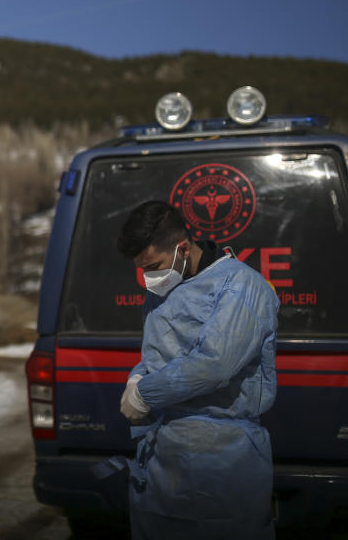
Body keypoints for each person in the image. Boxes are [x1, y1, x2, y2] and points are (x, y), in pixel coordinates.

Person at [113, 200, 278, 540]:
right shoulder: (161, 291)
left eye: (155, 266)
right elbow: (159, 352)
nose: (149, 278)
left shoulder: (242, 287)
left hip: (222, 461)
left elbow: (214, 363)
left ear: (183, 248)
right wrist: (139, 374)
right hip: (161, 458)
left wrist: (145, 393)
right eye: (143, 269)